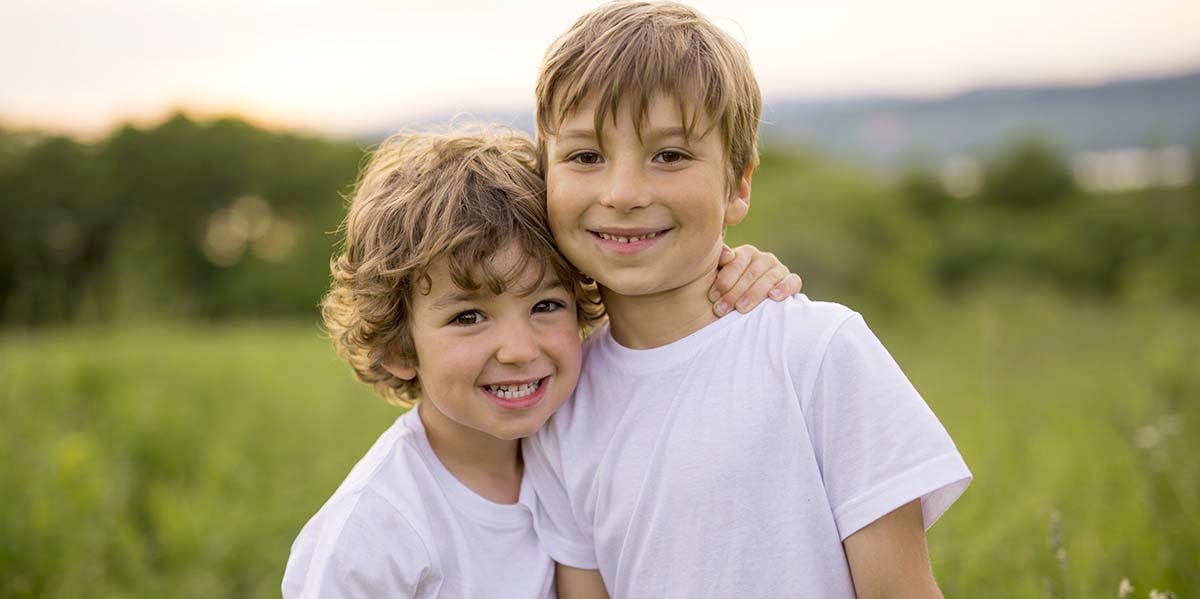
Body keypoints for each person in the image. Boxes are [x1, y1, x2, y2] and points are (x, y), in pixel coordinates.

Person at [523, 3, 973, 598]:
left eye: (670, 155)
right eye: (585, 156)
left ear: (738, 185)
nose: (624, 193)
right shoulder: (560, 406)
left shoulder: (818, 354)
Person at [281, 127, 802, 598]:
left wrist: (737, 269)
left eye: (546, 306)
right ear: (399, 348)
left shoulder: (585, 430)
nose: (519, 350)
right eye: (468, 317)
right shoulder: (372, 532)